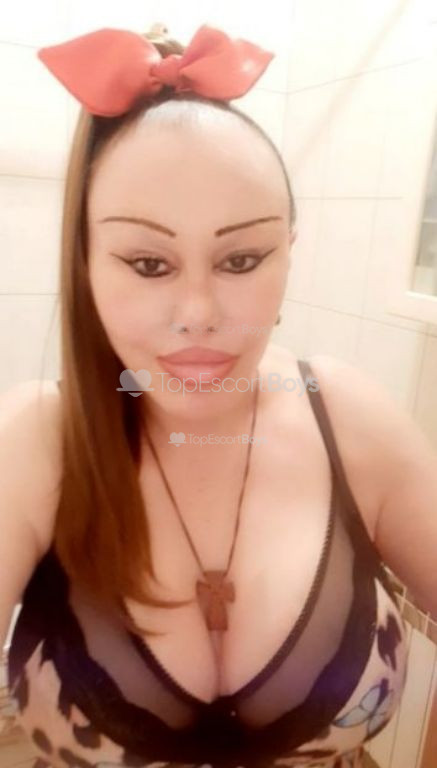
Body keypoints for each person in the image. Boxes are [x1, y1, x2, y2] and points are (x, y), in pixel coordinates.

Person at [1, 21, 436, 768]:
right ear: (86, 264)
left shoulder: (351, 419)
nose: (199, 313)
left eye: (240, 260)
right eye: (148, 263)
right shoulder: (39, 439)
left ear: (288, 252)